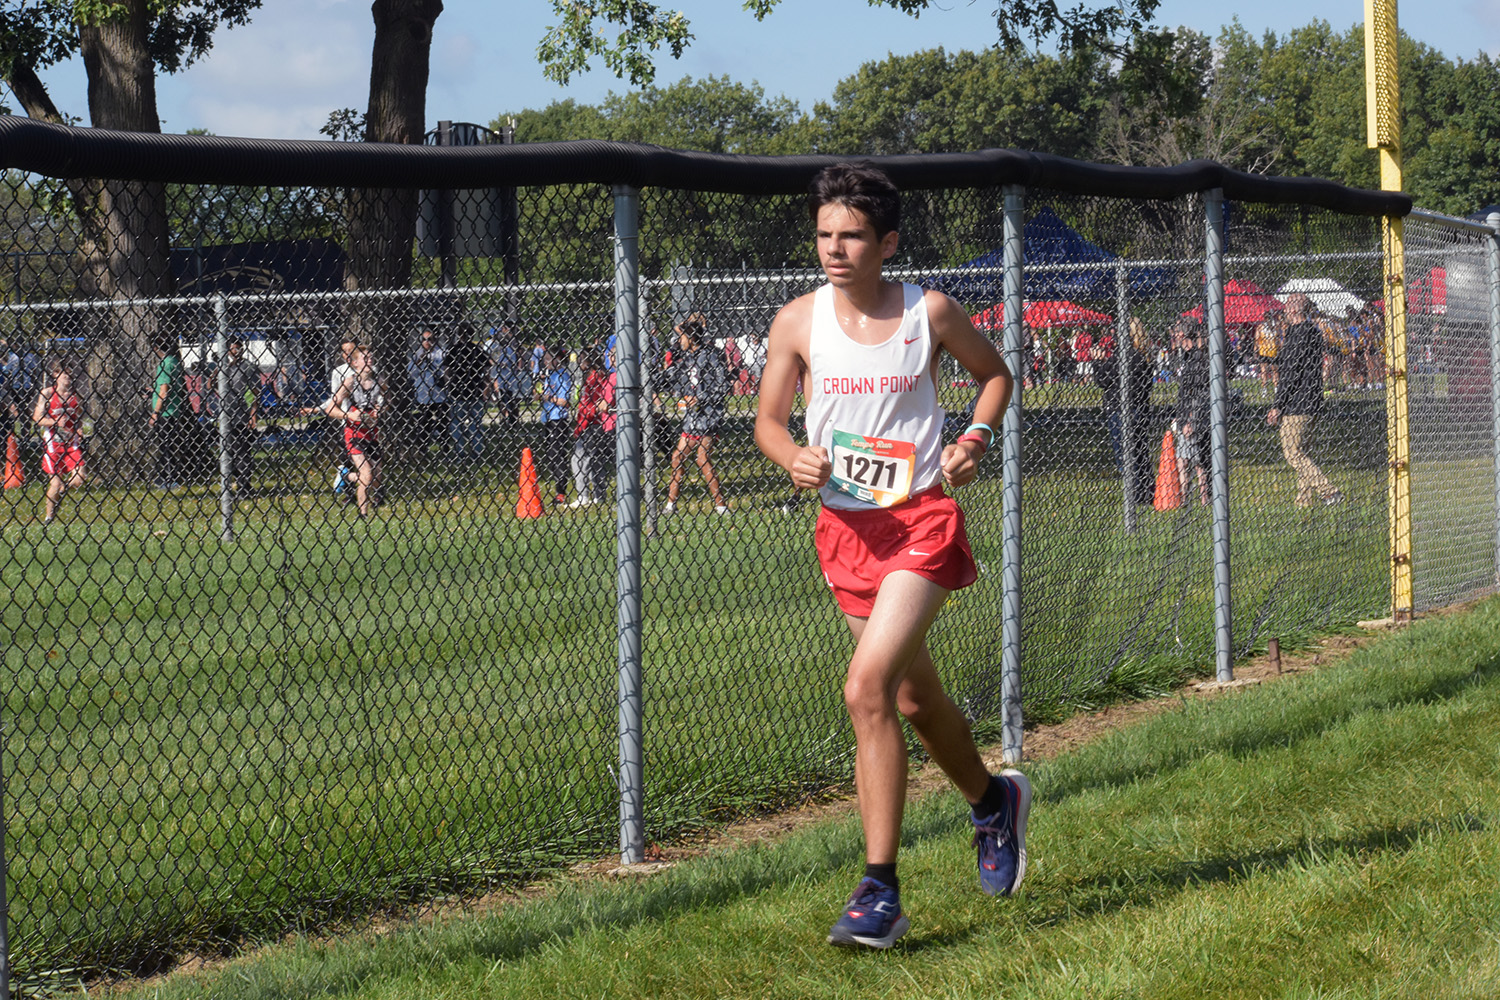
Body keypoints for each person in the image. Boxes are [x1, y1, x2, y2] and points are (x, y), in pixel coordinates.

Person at [754, 162, 1024, 951]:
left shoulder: (929, 312)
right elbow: (770, 422)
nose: (836, 249)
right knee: (910, 700)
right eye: (825, 235)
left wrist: (975, 437)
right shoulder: (796, 323)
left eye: (853, 236)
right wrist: (790, 457)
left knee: (866, 688)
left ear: (888, 242)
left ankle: (880, 891)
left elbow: (995, 376)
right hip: (845, 531)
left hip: (921, 523)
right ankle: (991, 804)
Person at [1269, 293, 1343, 507]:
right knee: (1303, 451)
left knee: (1292, 452)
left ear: (1293, 310)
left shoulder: (1298, 334)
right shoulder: (1312, 331)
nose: (1284, 309)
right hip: (1313, 399)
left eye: (1287, 305)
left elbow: (1290, 373)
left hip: (1297, 403)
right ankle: (1303, 501)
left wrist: (1277, 405)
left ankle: (1329, 492)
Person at [664, 315, 730, 515]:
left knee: (702, 459)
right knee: (677, 458)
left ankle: (720, 506)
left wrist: (700, 398)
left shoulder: (710, 355)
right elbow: (678, 328)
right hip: (692, 417)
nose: (679, 340)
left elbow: (723, 385)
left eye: (683, 337)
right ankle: (670, 505)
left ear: (692, 339)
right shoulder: (688, 355)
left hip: (709, 415)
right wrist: (690, 321)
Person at [1094, 318, 1155, 506]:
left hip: (1120, 411)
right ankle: (1147, 492)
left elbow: (1102, 379)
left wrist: (1097, 361)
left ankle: (1135, 496)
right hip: (1140, 409)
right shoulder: (1143, 355)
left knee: (1125, 455)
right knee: (1139, 450)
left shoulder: (1123, 355)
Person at [328, 345, 386, 517]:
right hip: (354, 434)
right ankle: (364, 514)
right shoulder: (350, 382)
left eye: (371, 358)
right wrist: (349, 415)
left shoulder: (379, 380)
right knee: (366, 475)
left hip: (371, 433)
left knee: (375, 479)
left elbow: (387, 400)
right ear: (355, 363)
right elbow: (331, 408)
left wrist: (380, 410)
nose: (369, 361)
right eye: (365, 358)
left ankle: (347, 478)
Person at [33, 361, 85, 523]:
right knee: (55, 483)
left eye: (70, 374)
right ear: (55, 375)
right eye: (64, 374)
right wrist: (54, 422)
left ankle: (64, 488)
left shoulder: (75, 396)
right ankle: (49, 517)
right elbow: (37, 418)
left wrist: (79, 429)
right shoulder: (47, 393)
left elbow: (78, 418)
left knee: (80, 477)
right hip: (53, 444)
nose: (67, 378)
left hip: (71, 443)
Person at [214, 336, 261, 493]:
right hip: (226, 414)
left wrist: (253, 415)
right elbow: (210, 385)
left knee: (242, 451)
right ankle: (236, 480)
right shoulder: (224, 367)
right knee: (229, 451)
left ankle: (244, 486)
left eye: (238, 348)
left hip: (243, 413)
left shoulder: (248, 367)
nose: (236, 351)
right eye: (233, 348)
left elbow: (256, 392)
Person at [570, 347, 614, 507]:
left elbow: (595, 405)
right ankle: (599, 495)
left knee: (579, 459)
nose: (579, 363)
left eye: (582, 359)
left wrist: (587, 411)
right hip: (590, 423)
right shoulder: (594, 377)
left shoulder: (595, 378)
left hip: (592, 424)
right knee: (595, 461)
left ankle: (583, 496)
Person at [443, 323, 491, 468]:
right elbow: (487, 373)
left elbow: (447, 371)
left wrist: (448, 387)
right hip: (475, 391)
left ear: (459, 335)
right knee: (475, 424)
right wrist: (485, 391)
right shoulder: (478, 350)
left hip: (458, 392)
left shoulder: (454, 350)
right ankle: (477, 453)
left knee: (456, 424)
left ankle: (460, 453)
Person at [535, 342, 573, 505]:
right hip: (548, 419)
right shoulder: (549, 375)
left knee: (557, 456)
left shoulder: (563, 375)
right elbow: (545, 394)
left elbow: (565, 402)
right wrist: (538, 395)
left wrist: (547, 398)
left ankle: (561, 493)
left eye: (549, 359)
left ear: (558, 359)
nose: (545, 362)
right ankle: (559, 490)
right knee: (550, 456)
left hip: (559, 420)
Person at [148, 346, 191, 489]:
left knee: (165, 446)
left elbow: (164, 390)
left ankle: (169, 478)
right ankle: (169, 476)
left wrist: (155, 412)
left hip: (165, 412)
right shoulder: (175, 362)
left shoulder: (164, 364)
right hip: (174, 409)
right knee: (169, 445)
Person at [407, 328, 446, 451]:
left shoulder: (441, 353)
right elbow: (411, 373)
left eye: (430, 339)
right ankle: (424, 447)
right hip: (423, 394)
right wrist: (420, 360)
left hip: (439, 393)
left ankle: (444, 446)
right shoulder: (417, 354)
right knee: (424, 421)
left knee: (443, 420)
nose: (427, 342)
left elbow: (445, 371)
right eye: (424, 340)